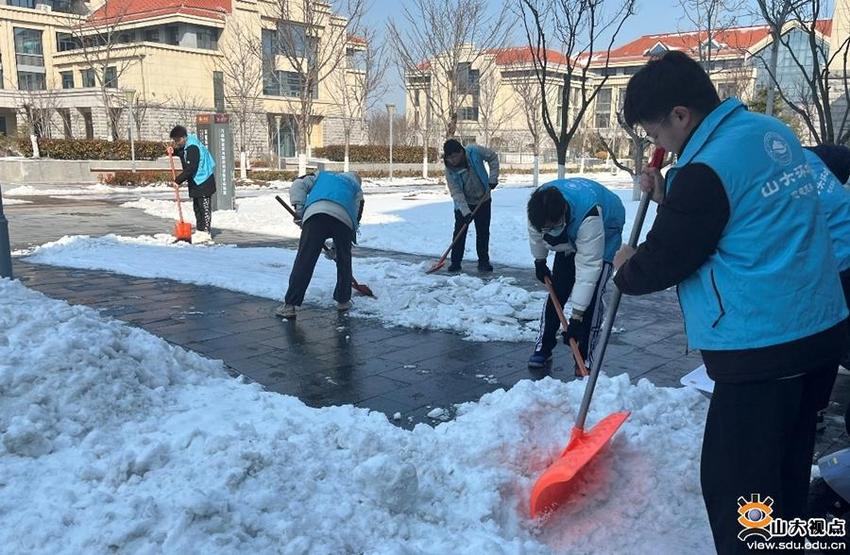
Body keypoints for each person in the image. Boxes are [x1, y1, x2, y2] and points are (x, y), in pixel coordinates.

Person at [614, 50, 848, 554]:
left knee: (739, 493)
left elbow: (665, 259)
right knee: (785, 471)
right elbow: (741, 200)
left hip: (764, 345)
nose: (657, 146)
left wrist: (624, 266)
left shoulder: (703, 172)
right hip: (819, 332)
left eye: (656, 134)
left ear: (681, 115)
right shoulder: (769, 133)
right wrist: (670, 190)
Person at [526, 178, 625, 374]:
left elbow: (589, 269)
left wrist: (576, 317)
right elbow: (536, 234)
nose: (549, 231)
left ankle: (584, 355)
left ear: (563, 211)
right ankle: (543, 346)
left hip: (605, 230)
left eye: (553, 226)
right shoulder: (537, 208)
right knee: (558, 290)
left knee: (592, 298)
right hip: (571, 230)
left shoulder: (589, 216)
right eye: (546, 228)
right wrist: (540, 261)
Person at [805, 144, 850, 437]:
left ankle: (812, 412)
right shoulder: (811, 159)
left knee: (819, 340)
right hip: (839, 260)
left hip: (837, 265)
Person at [276, 171, 364, 319]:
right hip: (343, 221)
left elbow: (298, 184)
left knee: (305, 260)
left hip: (316, 216)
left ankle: (289, 306)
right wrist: (338, 248)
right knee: (344, 260)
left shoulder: (321, 175)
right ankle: (343, 301)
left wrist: (300, 210)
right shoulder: (357, 190)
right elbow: (354, 219)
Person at [443, 139, 500, 273]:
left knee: (483, 231)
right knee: (459, 232)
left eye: (454, 156)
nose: (452, 160)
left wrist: (493, 178)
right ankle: (455, 263)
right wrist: (465, 212)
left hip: (483, 198)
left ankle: (483, 262)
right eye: (449, 157)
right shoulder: (449, 170)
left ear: (461, 152)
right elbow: (456, 192)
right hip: (464, 203)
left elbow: (493, 157)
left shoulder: (474, 151)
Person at [169, 125, 216, 243]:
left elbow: (191, 168)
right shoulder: (187, 145)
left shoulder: (193, 147)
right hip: (196, 181)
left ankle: (205, 231)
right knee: (197, 207)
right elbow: (182, 153)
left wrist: (177, 181)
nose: (177, 142)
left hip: (204, 180)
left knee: (204, 207)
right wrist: (173, 151)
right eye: (175, 141)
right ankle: (200, 230)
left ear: (184, 137)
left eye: (178, 140)